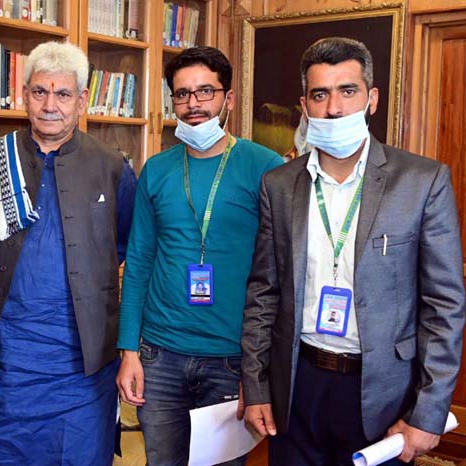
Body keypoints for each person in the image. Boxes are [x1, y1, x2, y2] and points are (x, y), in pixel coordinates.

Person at [240, 37, 465, 465]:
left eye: (348, 91)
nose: (335, 108)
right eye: (320, 95)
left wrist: (430, 410)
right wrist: (256, 386)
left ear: (371, 98)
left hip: (382, 390)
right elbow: (262, 294)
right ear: (304, 105)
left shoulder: (421, 181)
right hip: (297, 385)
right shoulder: (280, 185)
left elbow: (444, 306)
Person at [116, 46, 283, 466]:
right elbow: (137, 261)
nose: (193, 104)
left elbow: (280, 273)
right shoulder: (156, 168)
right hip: (159, 354)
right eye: (182, 94)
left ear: (228, 99)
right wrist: (129, 351)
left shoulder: (266, 167)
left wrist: (258, 372)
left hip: (231, 358)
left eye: (205, 91)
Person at [0, 41, 136, 466]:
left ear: (82, 100)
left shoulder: (113, 166)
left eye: (62, 94)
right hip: (7, 364)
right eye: (40, 92)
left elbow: (125, 249)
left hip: (83, 369)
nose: (50, 105)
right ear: (24, 94)